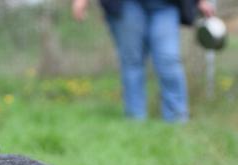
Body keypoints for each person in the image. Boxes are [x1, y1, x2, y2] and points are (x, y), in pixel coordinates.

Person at [72, 0, 216, 122]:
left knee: (168, 60)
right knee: (132, 63)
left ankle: (177, 122)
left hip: (166, 4)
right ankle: (136, 122)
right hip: (126, 4)